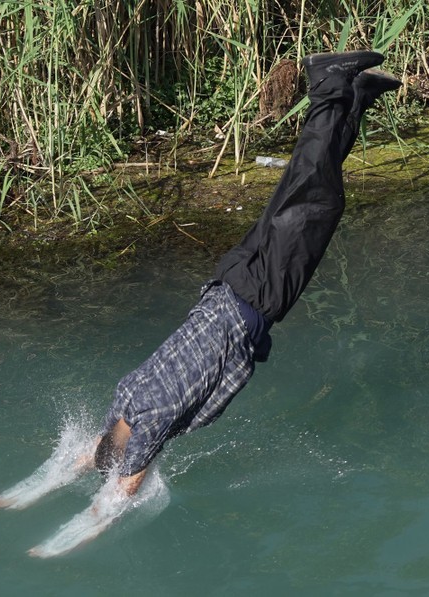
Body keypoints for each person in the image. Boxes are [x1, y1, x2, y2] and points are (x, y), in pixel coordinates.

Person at [91, 50, 402, 497]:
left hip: (255, 299)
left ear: (131, 447)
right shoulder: (125, 398)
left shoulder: (151, 422)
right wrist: (78, 468)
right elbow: (100, 448)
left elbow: (126, 486)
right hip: (228, 283)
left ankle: (329, 83)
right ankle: (354, 97)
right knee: (300, 190)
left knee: (316, 201)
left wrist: (92, 519)